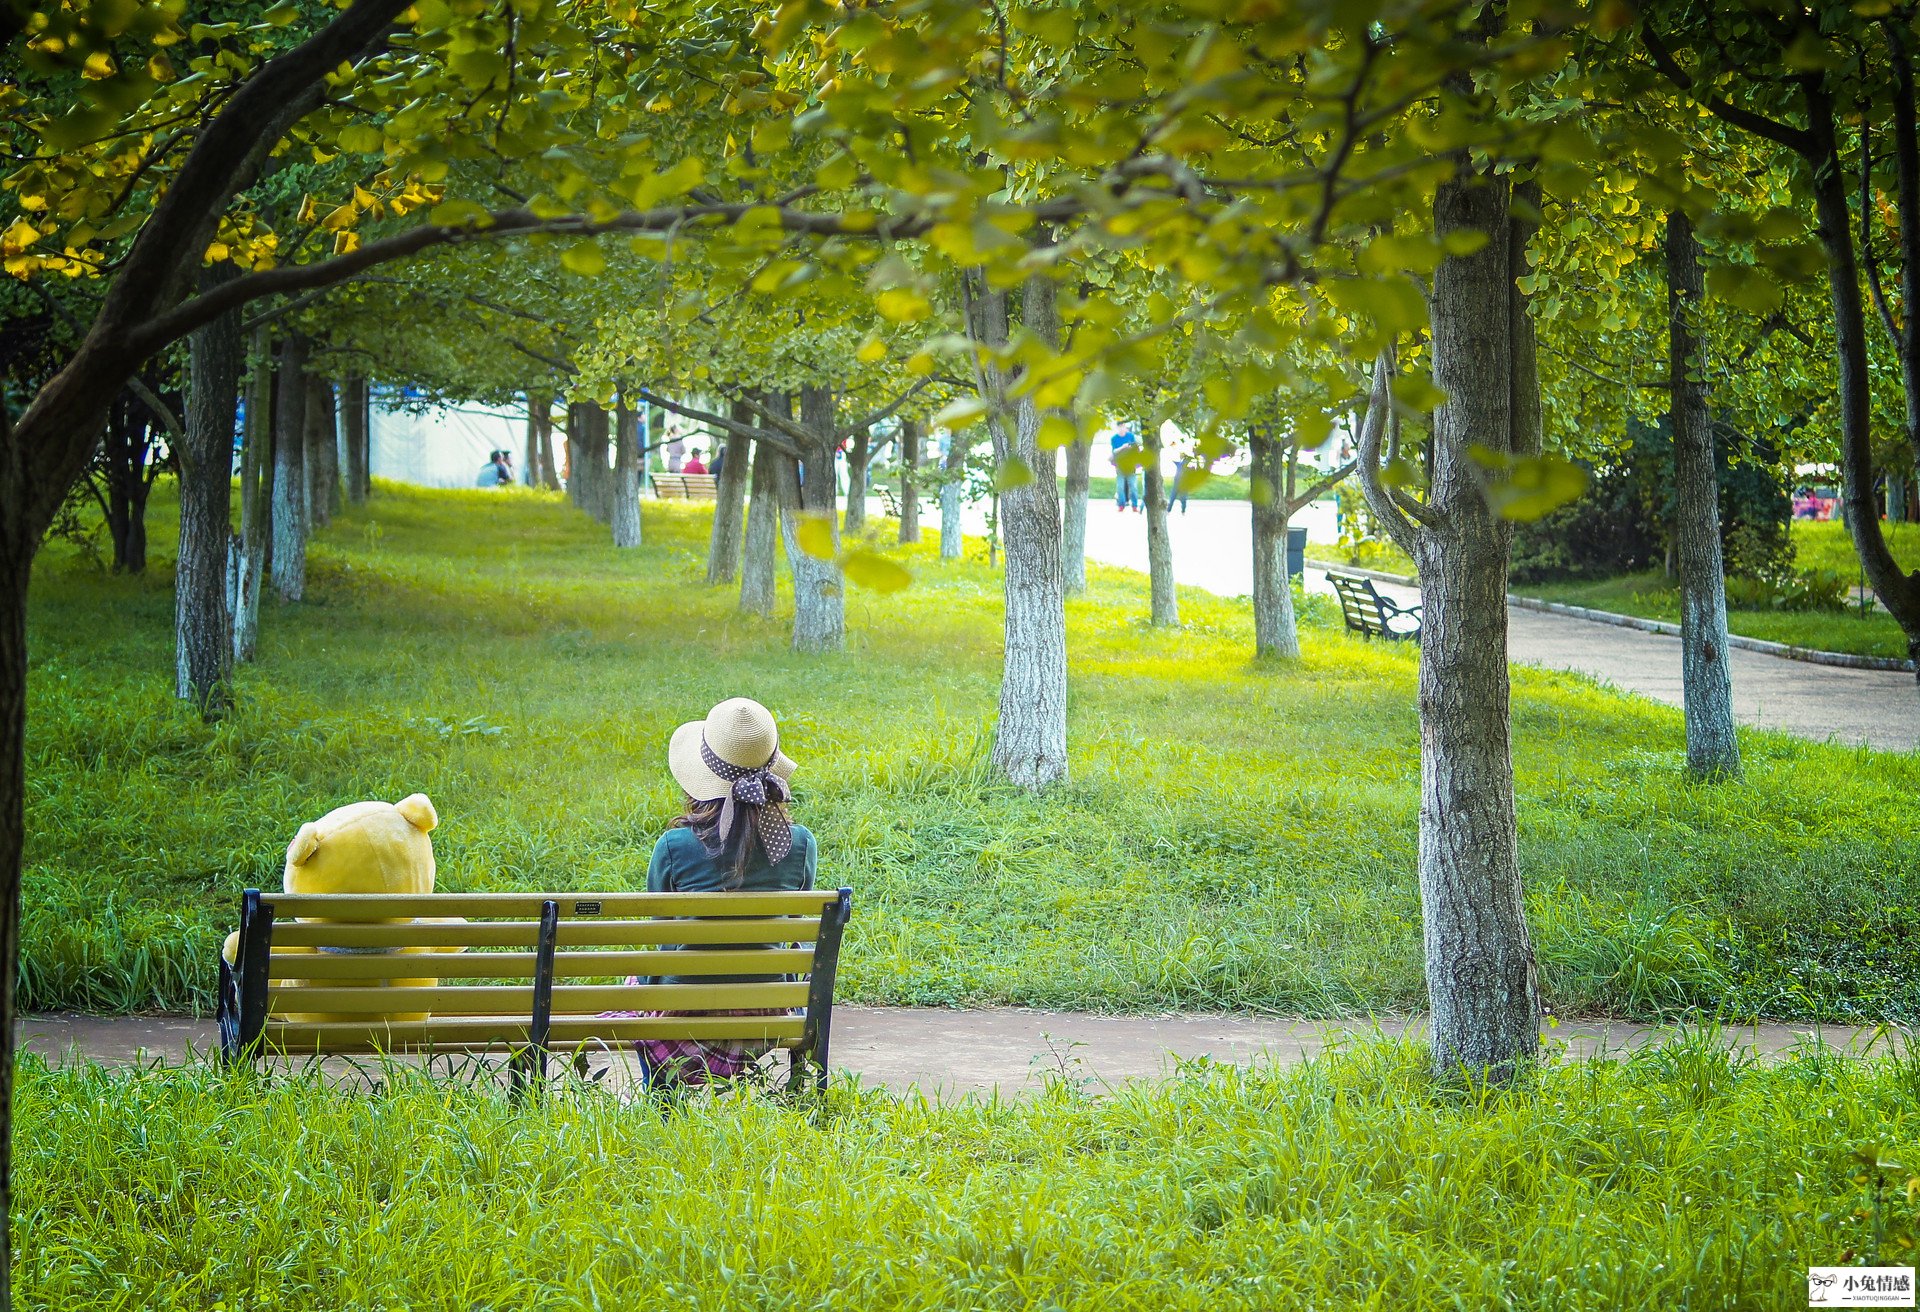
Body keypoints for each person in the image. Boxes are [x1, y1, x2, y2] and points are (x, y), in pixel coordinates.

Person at [612, 697, 816, 1089]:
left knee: (639, 978)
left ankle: (662, 1097)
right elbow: (793, 927)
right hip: (767, 1010)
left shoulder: (674, 847)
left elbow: (661, 932)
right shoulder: (799, 844)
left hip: (683, 1009)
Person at [1110, 427, 1142, 511]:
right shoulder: (1114, 438)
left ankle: (1134, 505)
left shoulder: (1131, 436)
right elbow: (1114, 451)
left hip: (1131, 467)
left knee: (1133, 487)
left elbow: (1136, 449)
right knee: (1120, 487)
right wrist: (1123, 447)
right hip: (1120, 467)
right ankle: (1121, 505)